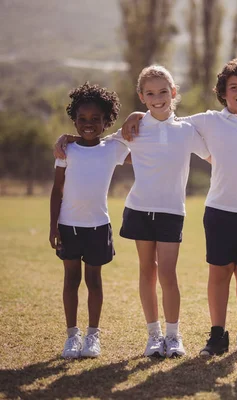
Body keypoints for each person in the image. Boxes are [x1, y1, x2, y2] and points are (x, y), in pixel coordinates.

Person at [120, 58, 237, 356]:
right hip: (218, 210)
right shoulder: (207, 120)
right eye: (233, 87)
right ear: (223, 92)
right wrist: (136, 114)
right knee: (219, 272)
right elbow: (166, 119)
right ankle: (217, 335)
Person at [56, 66, 211, 358]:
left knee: (168, 272)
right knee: (147, 271)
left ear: (173, 92)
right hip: (139, 209)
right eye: (150, 93)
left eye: (163, 91)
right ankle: (154, 335)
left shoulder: (187, 130)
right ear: (141, 96)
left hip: (171, 212)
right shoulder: (134, 129)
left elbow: (214, 157)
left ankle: (174, 336)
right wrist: (67, 138)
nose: (157, 98)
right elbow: (96, 142)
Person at [50, 82, 129, 359]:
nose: (88, 124)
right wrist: (53, 226)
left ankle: (93, 335)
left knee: (94, 281)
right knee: (71, 280)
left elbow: (140, 145)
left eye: (96, 119)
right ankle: (73, 336)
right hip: (68, 227)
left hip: (98, 227)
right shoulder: (66, 151)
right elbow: (57, 190)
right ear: (74, 120)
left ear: (106, 121)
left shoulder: (112, 148)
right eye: (82, 119)